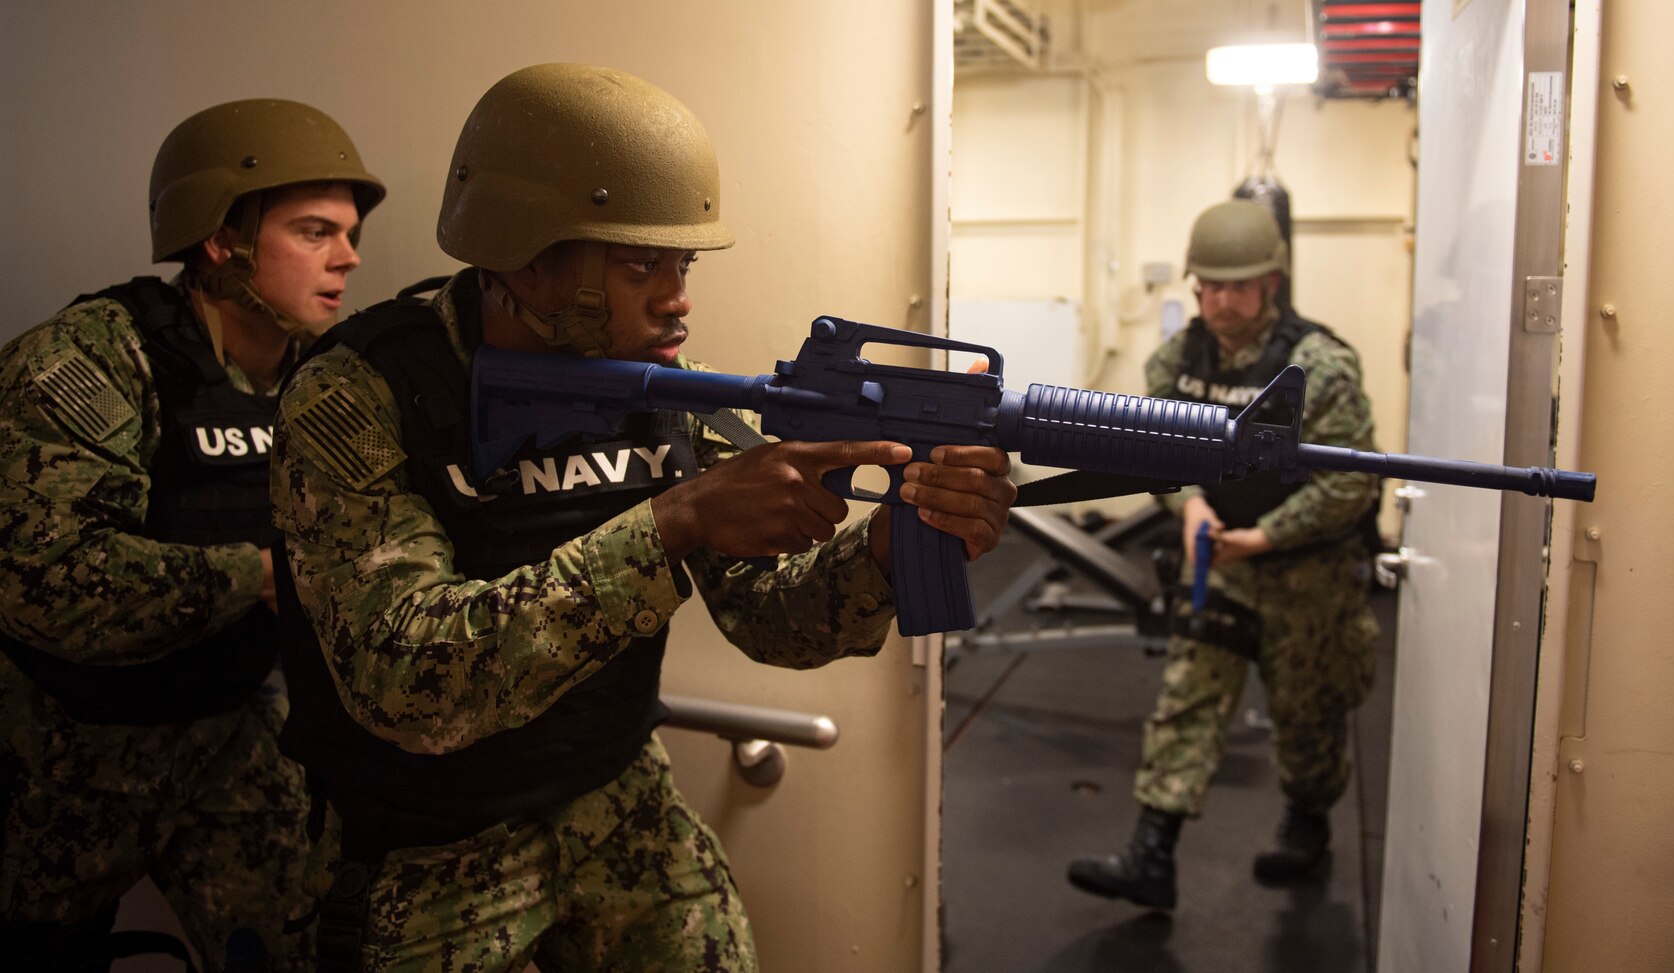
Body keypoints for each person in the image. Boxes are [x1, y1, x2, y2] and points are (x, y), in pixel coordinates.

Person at [270, 63, 1016, 972]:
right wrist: (676, 521)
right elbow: (405, 680)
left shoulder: (662, 391)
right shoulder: (358, 395)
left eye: (682, 263)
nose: (678, 297)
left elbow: (769, 619)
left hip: (613, 797)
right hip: (422, 842)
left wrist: (889, 550)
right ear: (529, 257)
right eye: (640, 265)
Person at [0, 100, 385, 971]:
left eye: (349, 233)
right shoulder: (92, 358)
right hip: (58, 756)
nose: (349, 257)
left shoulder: (328, 382)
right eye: (315, 231)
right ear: (221, 240)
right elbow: (42, 578)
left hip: (225, 728)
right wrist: (258, 575)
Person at [1066, 199, 1380, 911]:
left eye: (1237, 286)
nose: (1220, 301)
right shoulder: (1176, 361)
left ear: (1271, 282)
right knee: (1189, 697)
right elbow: (1162, 457)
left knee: (1307, 714)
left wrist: (1265, 537)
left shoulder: (1320, 367)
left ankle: (1308, 821)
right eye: (1208, 286)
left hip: (1307, 574)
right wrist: (1192, 508)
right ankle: (1152, 850)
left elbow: (1350, 482)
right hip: (1218, 564)